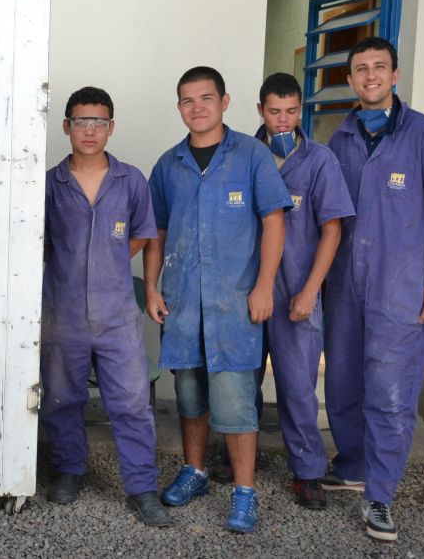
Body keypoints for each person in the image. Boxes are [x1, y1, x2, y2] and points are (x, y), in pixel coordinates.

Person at [322, 37, 424, 542]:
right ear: (349, 80)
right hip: (344, 286)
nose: (370, 76)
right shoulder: (336, 137)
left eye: (379, 67)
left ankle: (380, 495)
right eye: (360, 69)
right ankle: (354, 464)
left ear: (395, 74)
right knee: (341, 382)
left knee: (390, 393)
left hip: (400, 289)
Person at [145, 67, 293, 533]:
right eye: (188, 100)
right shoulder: (169, 165)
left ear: (225, 101)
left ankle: (244, 492)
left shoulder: (252, 155)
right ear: (179, 107)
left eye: (206, 98)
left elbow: (274, 221)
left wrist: (265, 286)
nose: (198, 107)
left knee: (235, 401)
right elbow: (157, 232)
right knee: (189, 395)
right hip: (184, 303)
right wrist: (151, 287)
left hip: (235, 305)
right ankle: (195, 472)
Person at [40, 87, 169, 527]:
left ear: (111, 127)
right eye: (80, 121)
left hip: (117, 313)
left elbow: (145, 236)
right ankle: (70, 470)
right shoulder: (49, 184)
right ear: (66, 127)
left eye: (98, 122)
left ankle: (141, 487)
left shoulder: (130, 180)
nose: (89, 130)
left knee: (132, 402)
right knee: (61, 399)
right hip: (63, 311)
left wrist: (116, 265)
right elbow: (37, 246)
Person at [249, 73, 354, 509]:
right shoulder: (242, 154)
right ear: (260, 110)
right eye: (274, 111)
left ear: (301, 111)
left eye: (291, 111)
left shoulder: (320, 160)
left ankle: (307, 470)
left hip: (297, 291)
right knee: (242, 381)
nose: (283, 120)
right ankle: (240, 458)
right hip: (249, 289)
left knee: (296, 386)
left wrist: (311, 290)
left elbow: (332, 231)